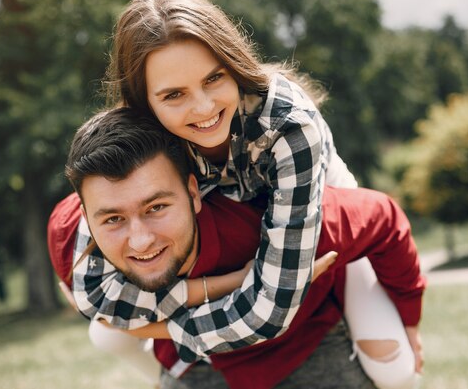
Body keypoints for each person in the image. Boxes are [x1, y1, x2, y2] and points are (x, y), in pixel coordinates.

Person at [70, 0, 423, 387]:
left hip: (310, 195)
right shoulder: (140, 139)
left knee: (393, 365)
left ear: (233, 63)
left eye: (214, 78)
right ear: (144, 103)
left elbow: (270, 310)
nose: (203, 108)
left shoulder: (290, 128)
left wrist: (170, 328)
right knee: (106, 335)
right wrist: (228, 285)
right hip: (225, 228)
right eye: (173, 95)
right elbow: (93, 293)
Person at [49, 107, 425, 389]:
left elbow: (384, 217)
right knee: (105, 333)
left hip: (305, 340)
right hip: (197, 365)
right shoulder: (72, 244)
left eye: (157, 207)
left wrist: (409, 316)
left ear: (193, 193)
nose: (141, 239)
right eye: (112, 219)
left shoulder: (277, 221)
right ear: (87, 217)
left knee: (393, 364)